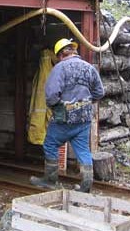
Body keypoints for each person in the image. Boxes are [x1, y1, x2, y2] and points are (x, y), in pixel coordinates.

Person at [30, 38, 104, 193]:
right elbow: (99, 92)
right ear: (74, 51)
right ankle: (86, 185)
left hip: (64, 119)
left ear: (60, 55)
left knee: (50, 144)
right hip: (83, 119)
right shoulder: (89, 68)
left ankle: (50, 181)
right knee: (83, 150)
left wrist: (58, 107)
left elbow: (51, 95)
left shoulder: (59, 68)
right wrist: (84, 103)